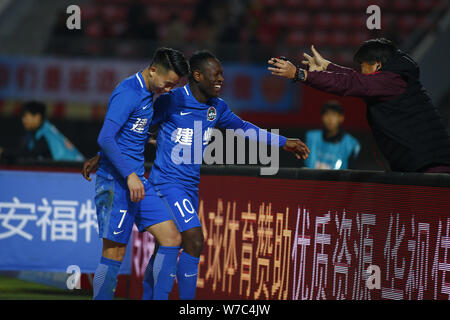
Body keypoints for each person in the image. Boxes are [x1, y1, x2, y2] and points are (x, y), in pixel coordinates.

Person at [82, 50, 310, 300]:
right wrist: (104, 154)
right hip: (164, 183)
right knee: (193, 239)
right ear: (198, 75)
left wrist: (282, 142)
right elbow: (131, 128)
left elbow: (243, 129)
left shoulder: (216, 108)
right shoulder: (171, 98)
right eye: (216, 74)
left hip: (185, 186)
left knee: (167, 244)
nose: (221, 79)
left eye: (222, 74)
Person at [90, 47, 190, 300]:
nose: (168, 90)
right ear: (153, 70)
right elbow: (105, 136)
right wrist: (129, 174)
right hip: (117, 183)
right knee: (113, 254)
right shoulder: (128, 92)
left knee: (171, 237)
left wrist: (146, 140)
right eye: (168, 84)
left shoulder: (148, 93)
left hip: (136, 183)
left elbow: (123, 136)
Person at [268, 38, 450, 173]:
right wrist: (328, 68)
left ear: (377, 65)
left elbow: (353, 83)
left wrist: (300, 74)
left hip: (431, 168)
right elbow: (358, 80)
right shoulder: (391, 79)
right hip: (420, 166)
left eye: (363, 66)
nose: (361, 71)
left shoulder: (392, 81)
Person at [0, 101, 84, 163]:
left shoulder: (46, 135)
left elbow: (30, 155)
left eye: (26, 117)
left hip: (77, 172)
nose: (23, 120)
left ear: (37, 117)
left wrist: (4, 153)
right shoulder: (39, 131)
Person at [305, 100, 360, 170]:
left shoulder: (351, 143)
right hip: (311, 180)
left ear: (341, 118)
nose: (330, 119)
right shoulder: (311, 138)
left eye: (334, 114)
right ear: (322, 117)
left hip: (337, 180)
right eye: (327, 114)